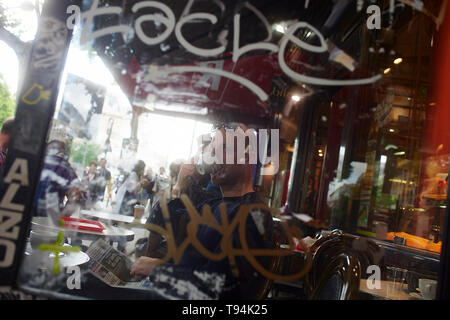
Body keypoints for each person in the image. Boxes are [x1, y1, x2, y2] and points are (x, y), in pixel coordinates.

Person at [131, 124, 275, 299]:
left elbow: (222, 288)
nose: (213, 157)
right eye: (211, 151)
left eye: (223, 149)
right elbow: (169, 218)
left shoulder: (253, 214)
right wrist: (183, 182)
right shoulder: (214, 205)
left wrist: (158, 270)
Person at [33, 123, 82, 224]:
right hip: (47, 223)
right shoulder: (64, 167)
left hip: (21, 220)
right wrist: (60, 217)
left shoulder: (31, 160)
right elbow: (76, 196)